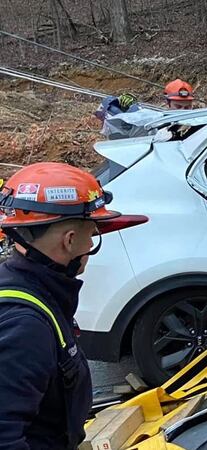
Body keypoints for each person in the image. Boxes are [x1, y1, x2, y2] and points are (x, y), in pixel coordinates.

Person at [0, 162, 142, 449]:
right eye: (91, 235)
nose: (90, 246)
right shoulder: (25, 325)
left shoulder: (32, 289)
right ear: (70, 240)